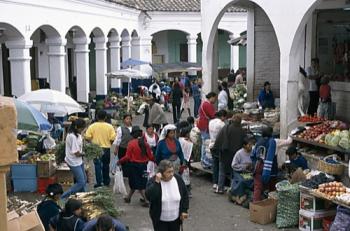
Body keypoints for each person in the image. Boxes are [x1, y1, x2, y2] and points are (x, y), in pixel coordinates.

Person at [145, 160, 189, 231]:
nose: (171, 174)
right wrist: (157, 183)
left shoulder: (177, 179)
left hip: (176, 220)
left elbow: (185, 195)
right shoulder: (153, 181)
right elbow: (149, 196)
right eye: (168, 172)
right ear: (161, 173)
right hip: (160, 221)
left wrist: (184, 210)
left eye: (172, 171)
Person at [251, 127, 292, 202]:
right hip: (270, 167)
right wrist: (292, 133)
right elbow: (289, 141)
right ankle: (270, 204)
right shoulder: (274, 141)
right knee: (272, 187)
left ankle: (255, 206)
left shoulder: (258, 141)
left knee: (258, 188)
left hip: (258, 166)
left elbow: (253, 155)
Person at [117, 126, 155, 206]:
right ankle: (128, 197)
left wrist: (120, 161)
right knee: (140, 183)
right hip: (144, 166)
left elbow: (127, 157)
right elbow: (150, 156)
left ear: (132, 135)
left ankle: (146, 200)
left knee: (137, 184)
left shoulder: (131, 143)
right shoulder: (145, 144)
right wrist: (156, 160)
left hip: (134, 166)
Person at [213, 114, 245, 194]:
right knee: (233, 173)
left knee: (222, 171)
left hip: (225, 153)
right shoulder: (241, 131)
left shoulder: (226, 128)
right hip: (236, 155)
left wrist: (216, 150)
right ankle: (232, 189)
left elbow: (219, 140)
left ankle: (220, 188)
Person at [85, 110, 116, 188]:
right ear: (105, 117)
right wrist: (109, 144)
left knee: (97, 166)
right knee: (106, 165)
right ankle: (106, 182)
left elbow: (87, 137)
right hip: (106, 148)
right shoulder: (109, 126)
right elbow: (112, 138)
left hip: (96, 149)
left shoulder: (92, 126)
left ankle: (99, 182)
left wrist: (92, 143)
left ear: (97, 117)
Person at [61, 119, 87, 199]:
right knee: (81, 182)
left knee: (84, 180)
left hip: (78, 161)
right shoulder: (72, 136)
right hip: (73, 161)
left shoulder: (78, 135)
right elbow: (76, 153)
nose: (83, 130)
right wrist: (85, 154)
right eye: (82, 128)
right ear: (76, 127)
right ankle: (63, 196)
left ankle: (82, 196)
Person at [230, 137, 255, 205]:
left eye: (251, 145)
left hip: (248, 172)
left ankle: (243, 195)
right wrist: (244, 166)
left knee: (252, 179)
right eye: (249, 145)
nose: (251, 146)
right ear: (244, 146)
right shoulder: (239, 153)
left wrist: (252, 166)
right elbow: (233, 165)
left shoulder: (253, 152)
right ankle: (237, 195)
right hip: (238, 171)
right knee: (242, 180)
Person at [209, 110, 228, 191]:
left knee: (215, 165)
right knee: (221, 167)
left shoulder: (211, 122)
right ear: (223, 116)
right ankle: (220, 186)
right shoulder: (222, 124)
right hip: (219, 146)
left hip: (211, 144)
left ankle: (215, 183)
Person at [197, 92, 217, 168]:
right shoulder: (207, 105)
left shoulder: (204, 103)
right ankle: (205, 161)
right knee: (206, 143)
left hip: (202, 124)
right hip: (205, 125)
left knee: (204, 143)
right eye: (214, 98)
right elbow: (213, 115)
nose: (215, 100)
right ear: (211, 97)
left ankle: (203, 160)